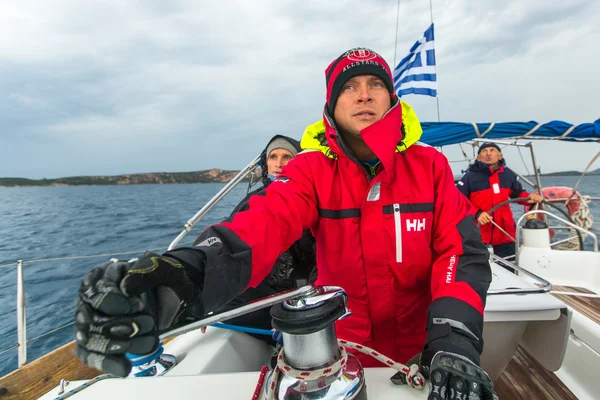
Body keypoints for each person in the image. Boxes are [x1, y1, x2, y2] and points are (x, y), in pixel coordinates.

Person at [75, 48, 497, 399]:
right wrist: (184, 275)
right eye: (349, 87)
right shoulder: (312, 170)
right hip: (339, 359)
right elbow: (262, 224)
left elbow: (460, 254)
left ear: (391, 99)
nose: (363, 95)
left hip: (422, 358)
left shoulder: (430, 167)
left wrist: (454, 340)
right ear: (332, 104)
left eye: (375, 85)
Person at [215, 135, 316, 335]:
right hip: (267, 291)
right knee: (220, 308)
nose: (278, 164)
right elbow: (233, 241)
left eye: (287, 157)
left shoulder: (315, 200)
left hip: (307, 291)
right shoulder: (253, 202)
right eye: (273, 157)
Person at [457, 142, 542, 259]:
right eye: (484, 151)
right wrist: (478, 213)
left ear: (500, 156)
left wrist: (530, 198)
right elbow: (459, 201)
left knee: (510, 266)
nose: (488, 154)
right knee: (478, 268)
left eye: (492, 150)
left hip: (505, 232)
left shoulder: (508, 175)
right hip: (478, 232)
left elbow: (517, 194)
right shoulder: (469, 177)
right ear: (478, 157)